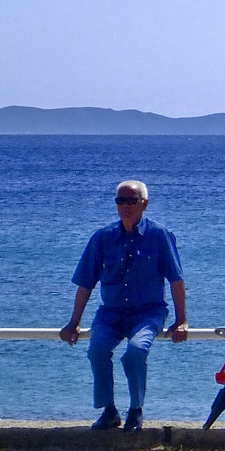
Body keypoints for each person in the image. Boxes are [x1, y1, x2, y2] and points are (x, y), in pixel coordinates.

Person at [59, 180, 188, 432]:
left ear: (145, 204)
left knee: (135, 352)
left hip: (147, 312)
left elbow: (176, 279)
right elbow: (85, 283)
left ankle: (136, 410)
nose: (126, 206)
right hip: (111, 314)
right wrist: (73, 322)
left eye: (132, 200)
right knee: (97, 350)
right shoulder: (102, 238)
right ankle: (109, 410)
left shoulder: (160, 236)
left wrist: (182, 319)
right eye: (121, 201)